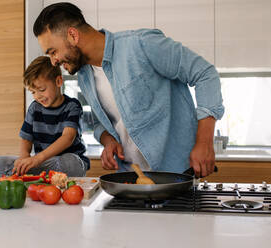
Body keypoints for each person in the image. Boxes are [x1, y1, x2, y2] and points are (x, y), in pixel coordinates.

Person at [32, 2, 224, 177]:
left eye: (53, 51)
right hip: (132, 176)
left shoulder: (141, 45)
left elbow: (205, 74)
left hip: (177, 173)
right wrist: (108, 141)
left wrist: (204, 142)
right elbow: (101, 122)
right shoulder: (84, 76)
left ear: (73, 35)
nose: (53, 61)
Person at [0, 56, 89, 177]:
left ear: (58, 81)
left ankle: (38, 175)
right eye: (33, 92)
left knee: (70, 162)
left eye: (41, 90)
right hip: (43, 163)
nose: (37, 96)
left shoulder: (72, 106)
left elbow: (67, 138)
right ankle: (34, 175)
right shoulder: (34, 108)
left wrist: (37, 159)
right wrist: (24, 159)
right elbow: (26, 139)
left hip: (63, 163)